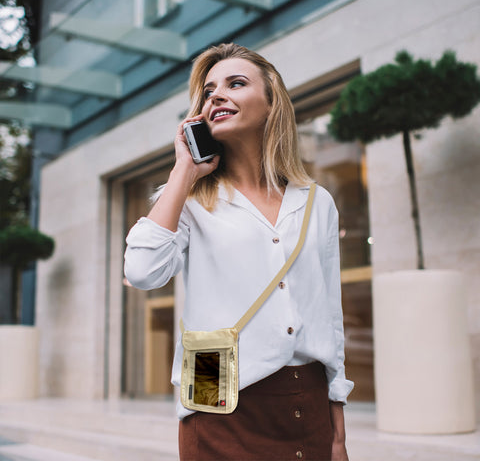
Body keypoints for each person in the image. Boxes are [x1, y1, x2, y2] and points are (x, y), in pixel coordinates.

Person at [124, 43, 353, 461]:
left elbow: (329, 316)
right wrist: (183, 171)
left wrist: (337, 425)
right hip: (217, 400)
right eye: (209, 91)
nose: (217, 95)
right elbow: (142, 271)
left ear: (270, 105)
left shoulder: (316, 202)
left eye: (236, 83)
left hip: (308, 403)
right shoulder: (187, 199)